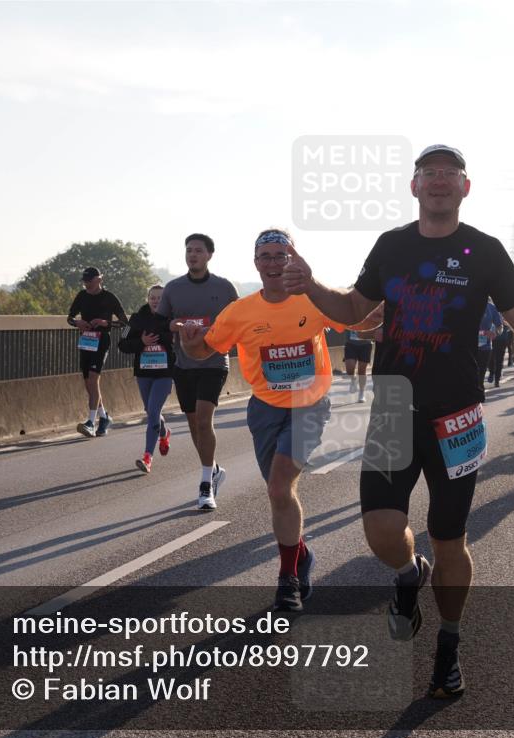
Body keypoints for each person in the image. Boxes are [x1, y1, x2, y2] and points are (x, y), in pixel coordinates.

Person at [282, 144, 514, 699]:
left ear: (466, 187)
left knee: (449, 538)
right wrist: (309, 284)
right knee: (382, 534)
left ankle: (449, 644)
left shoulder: (484, 252)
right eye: (428, 174)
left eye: (450, 174)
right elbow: (349, 310)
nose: (439, 182)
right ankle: (408, 574)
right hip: (393, 406)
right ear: (414, 186)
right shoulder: (392, 246)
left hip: (457, 414)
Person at [181, 228, 377, 611]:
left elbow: (358, 322)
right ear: (256, 264)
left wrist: (381, 314)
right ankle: (299, 555)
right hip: (265, 408)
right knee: (281, 494)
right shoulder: (240, 312)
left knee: (278, 486)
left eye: (280, 255)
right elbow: (205, 348)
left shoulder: (316, 301)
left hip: (309, 405)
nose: (273, 263)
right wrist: (190, 340)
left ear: (293, 260)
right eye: (266, 256)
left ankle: (287, 578)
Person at [158, 234, 239, 510]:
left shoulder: (224, 287)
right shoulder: (173, 288)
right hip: (184, 365)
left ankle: (205, 486)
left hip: (215, 363)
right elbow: (160, 322)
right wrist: (175, 326)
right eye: (189, 250)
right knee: (194, 426)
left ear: (209, 255)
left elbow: (239, 321)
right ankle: (213, 468)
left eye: (198, 251)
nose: (192, 254)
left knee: (205, 421)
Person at [67, 267, 129, 438]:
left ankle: (90, 422)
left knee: (94, 379)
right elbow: (69, 318)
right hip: (86, 341)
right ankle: (104, 417)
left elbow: (126, 324)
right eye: (85, 281)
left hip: (102, 341)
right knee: (89, 383)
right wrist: (77, 323)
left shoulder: (109, 298)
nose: (87, 284)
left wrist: (105, 323)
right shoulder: (82, 296)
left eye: (90, 281)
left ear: (100, 279)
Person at [118, 285, 174, 474]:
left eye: (160, 298)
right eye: (153, 298)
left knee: (153, 411)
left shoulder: (172, 318)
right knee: (151, 412)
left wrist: (162, 339)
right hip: (144, 373)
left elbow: (178, 340)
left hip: (165, 374)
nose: (156, 301)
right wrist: (141, 342)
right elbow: (121, 343)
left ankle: (147, 457)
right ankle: (164, 433)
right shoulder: (135, 319)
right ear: (147, 299)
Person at [343, 303, 384, 402]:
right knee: (349, 368)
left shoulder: (371, 310)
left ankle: (361, 393)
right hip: (351, 344)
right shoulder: (349, 311)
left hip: (365, 344)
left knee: (362, 370)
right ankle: (353, 380)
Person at [477, 299, 503, 398]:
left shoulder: (491, 307)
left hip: (485, 347)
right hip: (469, 346)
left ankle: (479, 396)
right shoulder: (469, 302)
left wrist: (495, 333)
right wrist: (482, 333)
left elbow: (500, 327)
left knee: (481, 372)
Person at [488, 310, 511, 388]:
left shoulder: (505, 312)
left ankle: (497, 380)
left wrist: (505, 323)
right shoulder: (491, 309)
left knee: (499, 360)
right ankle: (491, 372)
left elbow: (509, 325)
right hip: (492, 338)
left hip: (502, 339)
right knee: (491, 358)